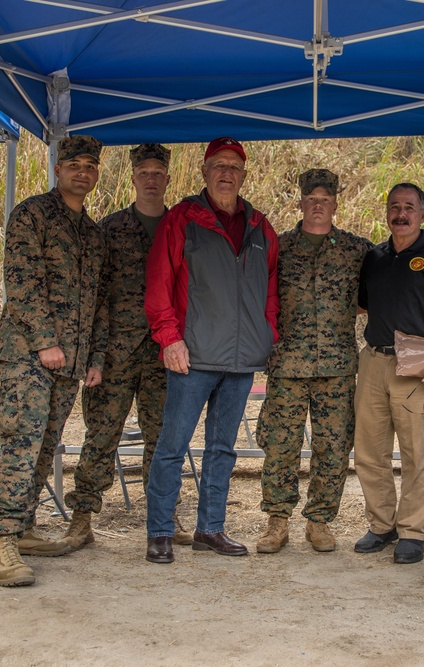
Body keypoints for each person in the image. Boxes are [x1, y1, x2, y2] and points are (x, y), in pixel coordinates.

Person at [143, 137, 279, 564]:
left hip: (241, 361)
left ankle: (211, 528)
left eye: (234, 167)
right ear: (204, 172)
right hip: (192, 357)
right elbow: (159, 283)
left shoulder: (261, 226)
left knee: (223, 448)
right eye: (218, 165)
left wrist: (266, 334)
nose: (226, 173)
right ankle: (161, 531)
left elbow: (271, 288)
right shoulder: (182, 219)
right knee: (172, 445)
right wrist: (169, 338)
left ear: (243, 175)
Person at [0, 135, 107, 587]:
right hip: (29, 356)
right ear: (57, 169)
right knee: (22, 440)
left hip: (71, 362)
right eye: (74, 164)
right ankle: (0, 541)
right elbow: (21, 283)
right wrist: (44, 341)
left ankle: (24, 526)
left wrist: (93, 357)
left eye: (90, 165)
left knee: (46, 445)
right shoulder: (32, 215)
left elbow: (100, 302)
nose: (82, 172)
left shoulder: (93, 234)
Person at [62, 143, 190, 549]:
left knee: (165, 438)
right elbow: (94, 296)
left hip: (164, 353)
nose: (151, 180)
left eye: (158, 173)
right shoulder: (110, 229)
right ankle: (82, 518)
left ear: (168, 180)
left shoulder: (182, 228)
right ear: (134, 178)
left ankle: (163, 520)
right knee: (101, 435)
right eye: (144, 173)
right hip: (115, 352)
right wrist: (94, 356)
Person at [254, 169, 373, 554]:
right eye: (311, 200)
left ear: (335, 205)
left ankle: (319, 520)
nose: (318, 206)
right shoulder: (279, 246)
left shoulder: (357, 250)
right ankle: (277, 521)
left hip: (337, 366)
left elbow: (370, 298)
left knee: (334, 446)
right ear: (301, 203)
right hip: (288, 364)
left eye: (325, 200)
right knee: (280, 444)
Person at [353, 183, 424, 564]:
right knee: (369, 451)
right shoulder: (375, 256)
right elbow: (364, 305)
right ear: (387, 211)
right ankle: (381, 525)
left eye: (409, 207)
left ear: (423, 213)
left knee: (415, 453)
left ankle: (413, 531)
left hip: (417, 365)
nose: (401, 214)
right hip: (373, 362)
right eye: (395, 207)